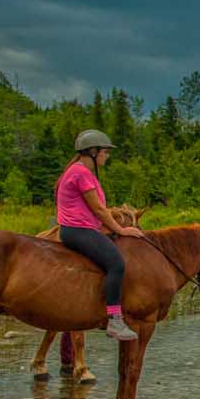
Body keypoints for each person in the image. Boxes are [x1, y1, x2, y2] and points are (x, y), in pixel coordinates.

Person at [56, 130, 145, 341]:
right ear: (93, 152)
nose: (107, 156)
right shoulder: (81, 174)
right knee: (116, 264)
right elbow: (99, 210)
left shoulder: (77, 171)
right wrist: (121, 230)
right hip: (78, 230)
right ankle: (115, 320)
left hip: (80, 228)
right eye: (105, 152)